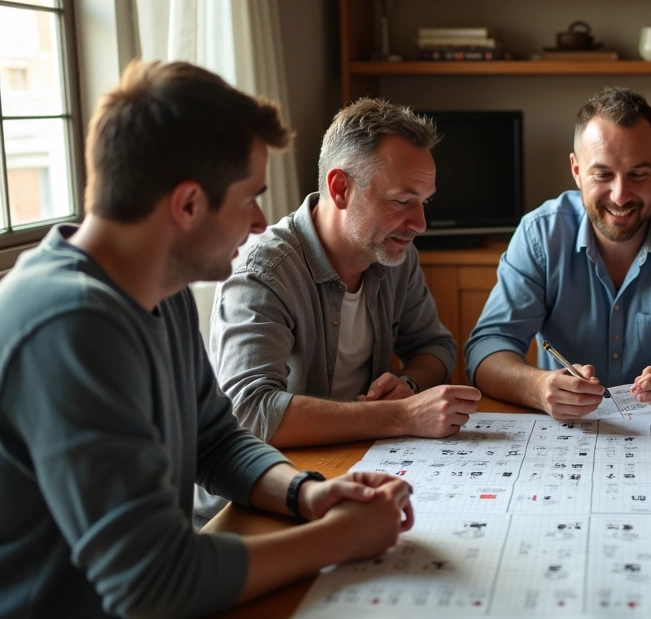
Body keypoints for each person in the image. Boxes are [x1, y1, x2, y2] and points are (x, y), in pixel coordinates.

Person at [0, 61, 414, 619]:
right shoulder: (70, 322)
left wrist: (307, 494)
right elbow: (154, 583)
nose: (260, 221)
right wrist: (342, 537)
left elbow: (215, 439)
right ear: (188, 204)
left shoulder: (154, 288)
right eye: (249, 197)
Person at [198, 98, 481, 524]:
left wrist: (407, 382)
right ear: (340, 189)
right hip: (253, 505)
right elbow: (250, 411)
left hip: (351, 469)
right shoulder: (263, 274)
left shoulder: (395, 254)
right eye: (403, 201)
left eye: (424, 201)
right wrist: (399, 415)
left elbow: (435, 347)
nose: (420, 222)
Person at [465, 87, 651, 419]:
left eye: (638, 174)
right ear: (576, 170)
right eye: (602, 175)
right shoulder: (539, 233)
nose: (620, 195)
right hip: (568, 434)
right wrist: (539, 387)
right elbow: (486, 349)